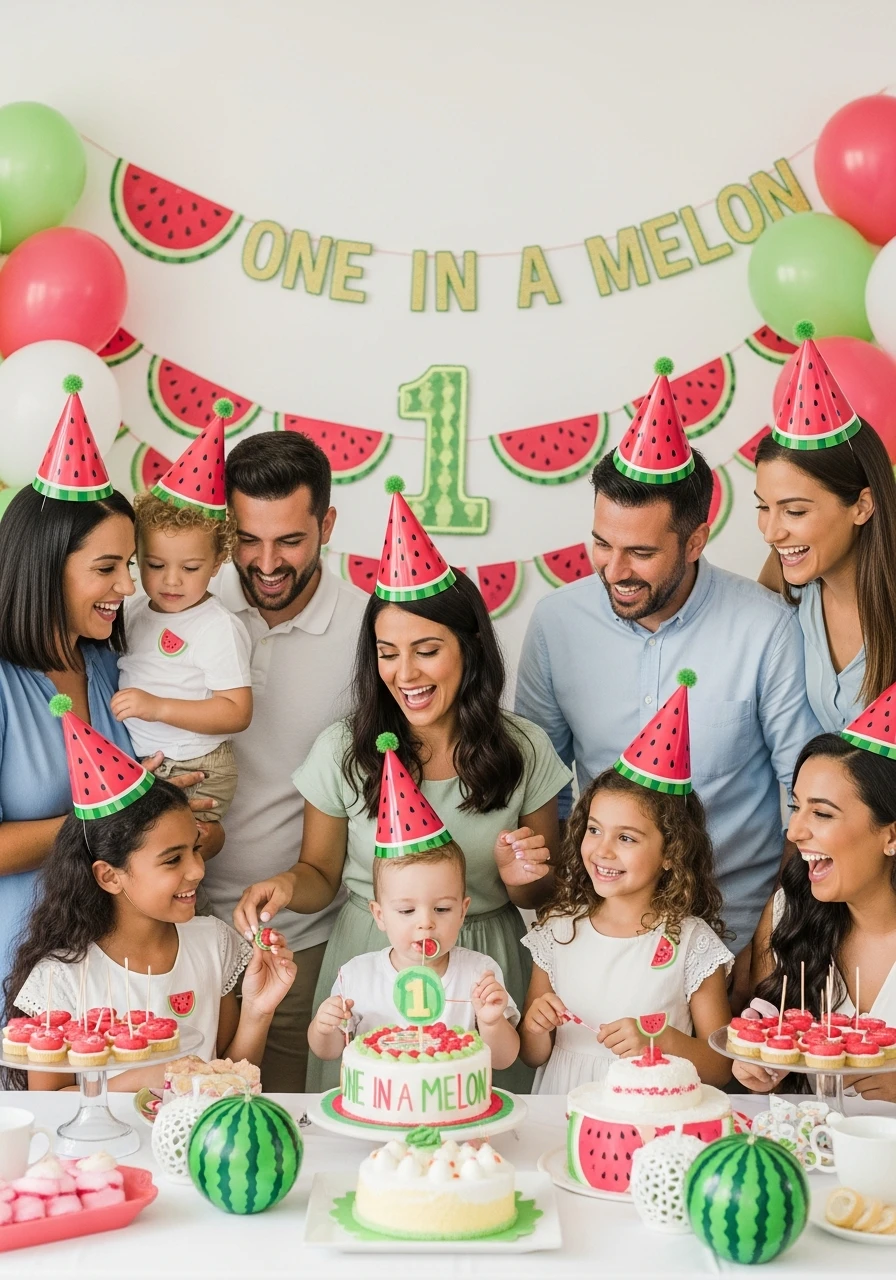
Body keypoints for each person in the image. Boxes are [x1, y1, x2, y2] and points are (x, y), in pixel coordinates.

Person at [235, 478, 571, 1092]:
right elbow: (320, 874)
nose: (405, 673)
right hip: (370, 960)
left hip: (487, 968)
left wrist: (524, 878)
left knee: (479, 1123)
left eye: (427, 650)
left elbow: (547, 895)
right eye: (387, 652)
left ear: (470, 648)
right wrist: (284, 885)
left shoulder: (524, 749)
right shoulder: (343, 749)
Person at [515, 357, 822, 957]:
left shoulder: (768, 629)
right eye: (601, 544)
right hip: (600, 934)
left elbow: (802, 802)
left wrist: (772, 936)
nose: (614, 570)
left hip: (735, 933)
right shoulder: (556, 624)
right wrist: (566, 926)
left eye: (641, 552)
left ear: (695, 540)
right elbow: (543, 791)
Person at [0, 377, 218, 991]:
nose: (127, 587)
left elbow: (154, 821)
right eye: (106, 568)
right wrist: (118, 818)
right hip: (21, 975)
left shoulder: (110, 666)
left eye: (129, 565)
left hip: (118, 983)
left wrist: (179, 826)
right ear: (45, 567)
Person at [2, 701, 296, 1091]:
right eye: (173, 859)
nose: (197, 870)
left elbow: (229, 1078)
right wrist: (139, 1080)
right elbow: (49, 1102)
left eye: (195, 849)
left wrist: (258, 1011)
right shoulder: (61, 977)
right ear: (109, 876)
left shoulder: (212, 943)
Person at [201, 430, 367, 1091]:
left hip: (301, 942)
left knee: (292, 1124)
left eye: (290, 541)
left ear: (327, 525)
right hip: (177, 935)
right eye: (247, 539)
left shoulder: (370, 633)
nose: (266, 563)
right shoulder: (179, 605)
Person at [519, 673, 733, 1091]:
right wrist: (535, 1025)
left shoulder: (691, 943)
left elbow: (721, 1068)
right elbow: (533, 1055)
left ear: (671, 852)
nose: (603, 850)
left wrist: (661, 1041)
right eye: (594, 830)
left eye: (627, 838)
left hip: (651, 1110)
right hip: (566, 1107)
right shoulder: (558, 929)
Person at [732, 691, 896, 1103]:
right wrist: (764, 1069)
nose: (794, 831)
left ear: (891, 836)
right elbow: (781, 1073)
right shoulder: (789, 914)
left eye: (821, 813)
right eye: (796, 806)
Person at [308, 769, 519, 1069]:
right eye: (407, 911)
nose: (425, 923)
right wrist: (324, 1027)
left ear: (463, 911)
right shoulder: (357, 975)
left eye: (442, 909)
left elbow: (504, 1060)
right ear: (379, 915)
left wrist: (492, 1022)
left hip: (452, 1099)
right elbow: (327, 1051)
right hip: (380, 1099)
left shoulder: (479, 974)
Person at [113, 402, 252, 821]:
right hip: (149, 761)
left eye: (190, 569)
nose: (171, 581)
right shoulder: (133, 608)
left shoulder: (216, 627)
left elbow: (236, 711)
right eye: (155, 565)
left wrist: (158, 707)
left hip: (196, 763)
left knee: (173, 855)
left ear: (217, 562)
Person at [754, 322, 896, 732]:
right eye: (763, 507)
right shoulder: (787, 579)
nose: (771, 533)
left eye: (795, 512)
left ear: (862, 506)